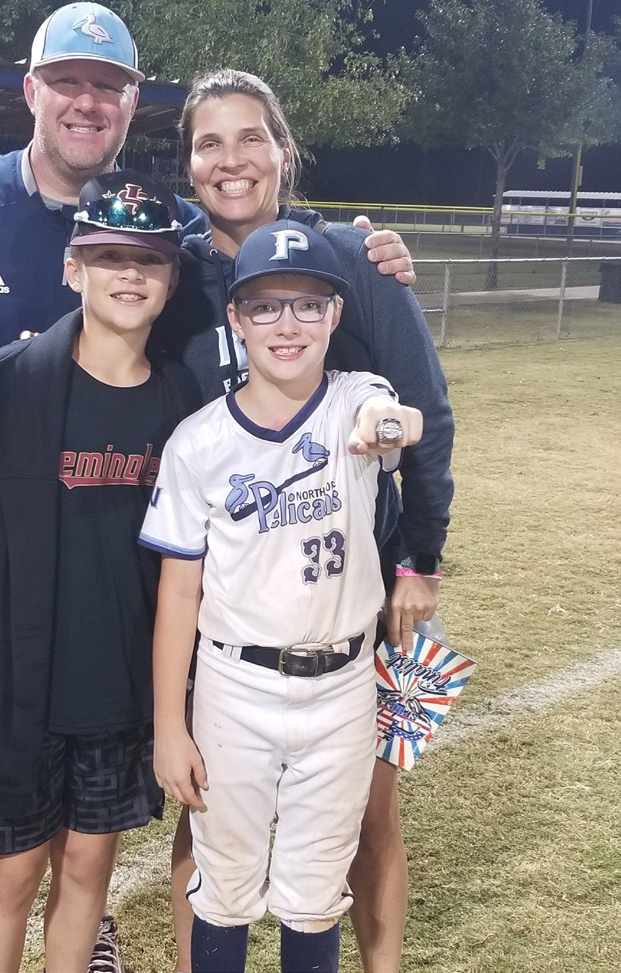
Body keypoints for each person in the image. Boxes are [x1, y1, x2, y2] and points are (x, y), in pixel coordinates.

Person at [0, 4, 412, 965]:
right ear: (30, 90)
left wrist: (353, 248)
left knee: (90, 859)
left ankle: (86, 938)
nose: (85, 100)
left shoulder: (175, 315)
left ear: (129, 103)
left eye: (107, 86)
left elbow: (257, 246)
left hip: (117, 622)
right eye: (66, 80)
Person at [151, 68, 454, 973]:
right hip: (225, 591)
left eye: (253, 138)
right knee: (207, 815)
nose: (232, 159)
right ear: (189, 162)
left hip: (353, 593)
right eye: (210, 142)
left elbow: (418, 419)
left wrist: (419, 562)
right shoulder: (173, 269)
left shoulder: (354, 262)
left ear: (284, 151)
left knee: (366, 812)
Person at [0, 170, 201, 973]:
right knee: (11, 873)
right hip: (19, 681)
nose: (128, 273)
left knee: (86, 870)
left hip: (118, 684)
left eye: (148, 259)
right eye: (107, 256)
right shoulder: (8, 381)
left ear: (172, 280)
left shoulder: (180, 400)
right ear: (73, 268)